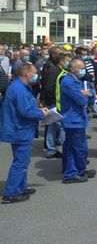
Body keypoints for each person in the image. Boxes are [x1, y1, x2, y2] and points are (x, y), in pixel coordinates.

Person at [0, 62, 49, 203]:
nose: (36, 75)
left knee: (23, 160)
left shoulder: (20, 87)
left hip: (21, 129)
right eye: (34, 73)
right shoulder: (19, 89)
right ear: (27, 73)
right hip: (19, 130)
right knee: (20, 162)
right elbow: (25, 111)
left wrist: (38, 110)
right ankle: (11, 193)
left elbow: (27, 107)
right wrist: (41, 114)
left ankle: (21, 187)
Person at [60, 59, 97, 183]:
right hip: (73, 119)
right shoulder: (68, 82)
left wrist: (88, 94)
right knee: (77, 148)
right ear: (73, 69)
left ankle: (79, 169)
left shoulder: (76, 80)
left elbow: (86, 96)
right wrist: (91, 95)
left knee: (74, 147)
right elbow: (81, 100)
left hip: (77, 118)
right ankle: (71, 173)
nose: (83, 70)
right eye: (81, 68)